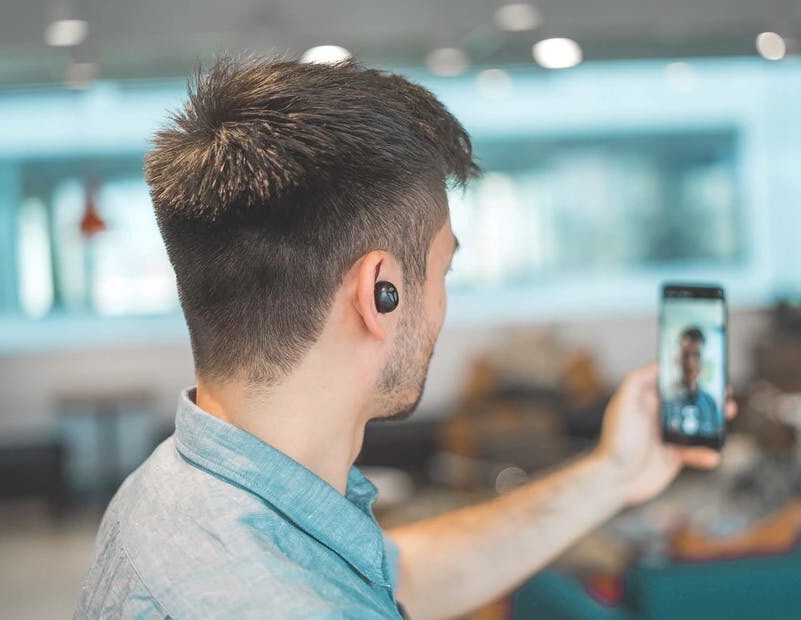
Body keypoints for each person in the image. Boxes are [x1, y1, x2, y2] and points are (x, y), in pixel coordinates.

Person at [75, 58, 735, 620]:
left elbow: (405, 577)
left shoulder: (176, 490)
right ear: (380, 291)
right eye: (444, 270)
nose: (445, 303)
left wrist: (614, 473)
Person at [663, 326, 721, 436]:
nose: (690, 363)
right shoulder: (665, 400)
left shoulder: (710, 402)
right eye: (686, 355)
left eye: (696, 355)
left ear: (703, 360)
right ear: (678, 359)